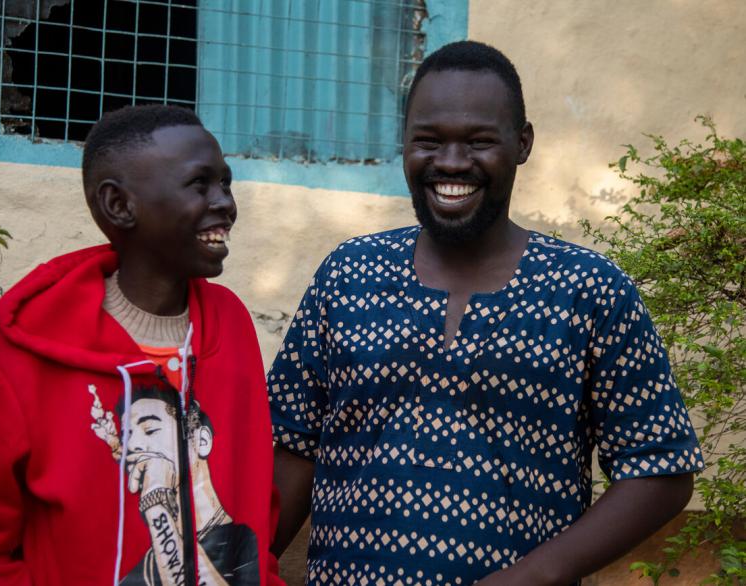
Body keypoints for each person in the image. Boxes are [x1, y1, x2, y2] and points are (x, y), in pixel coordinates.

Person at [267, 41, 704, 586]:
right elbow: (292, 447)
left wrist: (531, 577)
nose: (451, 163)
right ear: (404, 143)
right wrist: (238, 566)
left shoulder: (589, 290)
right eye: (428, 140)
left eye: (479, 141)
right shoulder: (348, 275)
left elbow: (660, 470)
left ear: (522, 144)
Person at [0, 105, 283, 586]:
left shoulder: (231, 326)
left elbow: (253, 499)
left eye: (226, 182)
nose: (225, 202)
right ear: (119, 205)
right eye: (199, 184)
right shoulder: (30, 353)